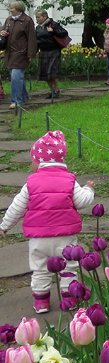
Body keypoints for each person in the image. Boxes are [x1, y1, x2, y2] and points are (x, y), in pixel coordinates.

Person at [0, 130, 95, 313]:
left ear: (40, 161)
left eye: (32, 160)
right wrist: (88, 189)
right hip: (65, 238)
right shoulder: (70, 180)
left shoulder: (31, 183)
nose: (31, 164)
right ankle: (69, 299)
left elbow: (16, 207)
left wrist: (4, 225)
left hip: (39, 239)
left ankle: (41, 302)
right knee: (69, 268)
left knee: (40, 269)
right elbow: (82, 201)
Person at [1, 1, 37, 110]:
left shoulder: (27, 21)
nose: (10, 10)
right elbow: (3, 30)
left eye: (12, 8)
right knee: (17, 77)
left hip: (21, 53)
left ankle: (16, 101)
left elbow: (32, 38)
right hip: (9, 54)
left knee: (16, 77)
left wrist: (31, 53)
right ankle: (24, 96)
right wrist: (2, 32)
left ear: (19, 9)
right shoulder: (9, 20)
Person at [34, 10, 69, 99]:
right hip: (43, 52)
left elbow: (64, 33)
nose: (37, 19)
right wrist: (34, 52)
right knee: (45, 74)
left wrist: (53, 31)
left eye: (38, 17)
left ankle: (56, 90)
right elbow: (37, 41)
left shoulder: (53, 24)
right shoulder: (38, 28)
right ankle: (52, 91)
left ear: (45, 16)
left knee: (51, 72)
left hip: (53, 51)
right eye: (36, 17)